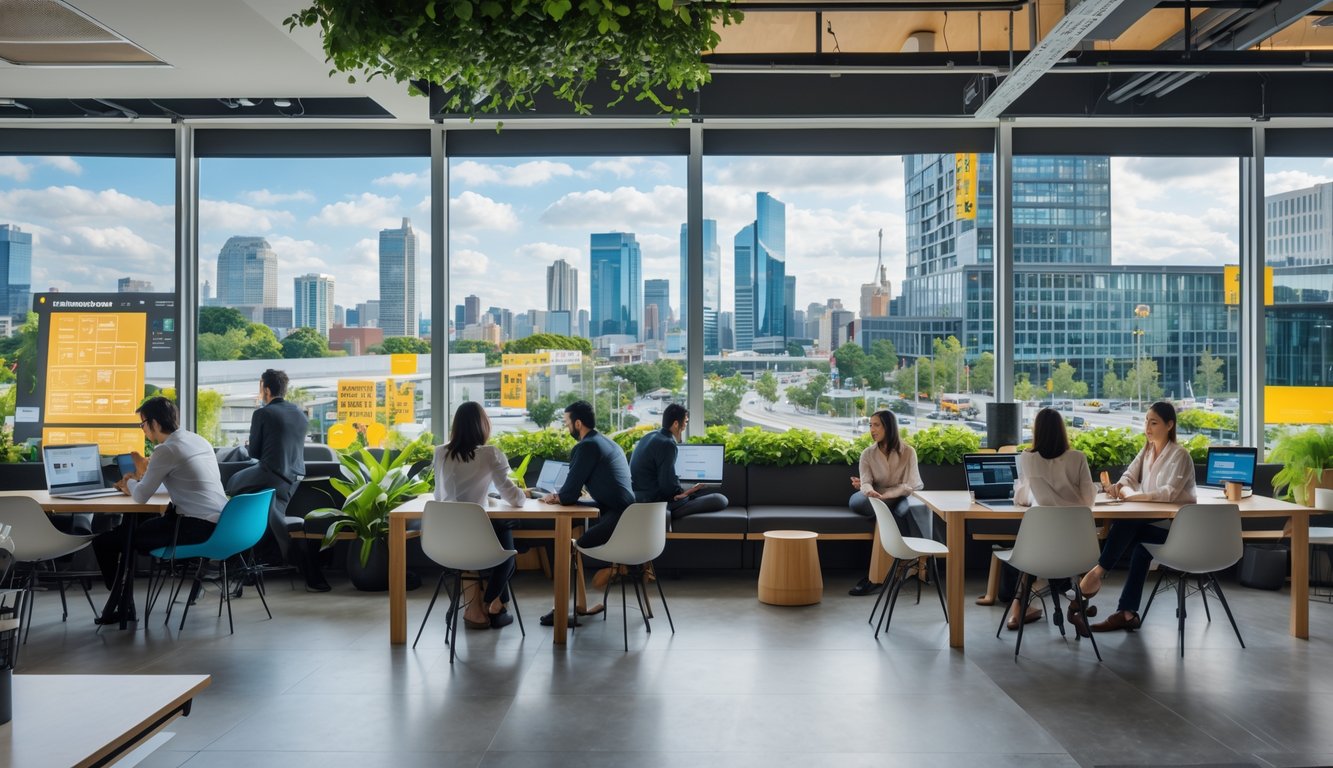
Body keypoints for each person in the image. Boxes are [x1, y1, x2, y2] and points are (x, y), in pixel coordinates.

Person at [91, 396, 229, 624]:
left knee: (108, 542)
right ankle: (124, 603)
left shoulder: (166, 450)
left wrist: (129, 483)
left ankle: (120, 601)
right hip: (220, 523)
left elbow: (142, 497)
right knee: (128, 535)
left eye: (142, 424)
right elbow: (177, 480)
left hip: (194, 527)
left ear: (154, 423)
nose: (143, 429)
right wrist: (138, 484)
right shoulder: (197, 440)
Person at [1079, 400, 1197, 633]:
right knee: (1138, 541)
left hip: (1180, 530)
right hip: (1156, 524)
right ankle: (1127, 612)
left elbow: (1169, 494)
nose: (1148, 427)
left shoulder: (1180, 455)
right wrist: (1122, 488)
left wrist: (1133, 497)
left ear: (1170, 425)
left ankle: (1097, 572)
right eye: (1146, 421)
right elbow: (1127, 477)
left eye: (1154, 423)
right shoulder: (1147, 450)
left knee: (1129, 522)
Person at [538, 400, 635, 626]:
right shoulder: (608, 443)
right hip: (631, 518)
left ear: (578, 423)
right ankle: (579, 603)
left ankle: (562, 609)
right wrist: (566, 497)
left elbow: (570, 494)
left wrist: (558, 498)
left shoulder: (586, 446)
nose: (567, 428)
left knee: (570, 546)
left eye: (567, 423)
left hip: (618, 520)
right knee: (575, 540)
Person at [431, 401, 526, 630]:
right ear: (482, 426)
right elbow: (514, 498)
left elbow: (438, 495)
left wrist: (485, 499)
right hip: (477, 537)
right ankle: (488, 604)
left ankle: (496, 604)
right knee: (507, 550)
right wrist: (523, 495)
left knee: (500, 529)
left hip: (444, 539)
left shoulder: (440, 452)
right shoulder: (490, 454)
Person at [1004, 408, 1098, 634]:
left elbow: (1023, 498)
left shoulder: (1027, 458)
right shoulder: (1077, 458)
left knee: (1029, 552)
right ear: (1062, 430)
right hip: (1078, 550)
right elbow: (1089, 501)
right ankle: (1078, 605)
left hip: (1040, 551)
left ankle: (1017, 610)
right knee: (1093, 563)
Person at [225, 369, 318, 589]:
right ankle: (265, 557)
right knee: (269, 511)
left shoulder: (262, 413)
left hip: (270, 473)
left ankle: (236, 560)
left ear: (266, 389)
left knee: (231, 486)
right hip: (293, 478)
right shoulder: (299, 413)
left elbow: (255, 453)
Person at [847, 410, 924, 597]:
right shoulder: (867, 454)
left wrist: (890, 493)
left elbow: (913, 485)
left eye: (876, 425)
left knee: (901, 509)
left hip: (899, 497)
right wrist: (867, 490)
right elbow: (865, 482)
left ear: (888, 427)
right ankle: (893, 572)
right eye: (870, 425)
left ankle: (878, 577)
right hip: (873, 497)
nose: (871, 429)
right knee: (858, 502)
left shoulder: (908, 452)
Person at [630, 403, 729, 520]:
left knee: (697, 492)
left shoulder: (650, 436)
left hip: (638, 496)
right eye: (686, 422)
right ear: (676, 424)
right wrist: (688, 491)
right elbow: (668, 487)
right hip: (654, 501)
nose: (685, 426)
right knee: (720, 499)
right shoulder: (667, 444)